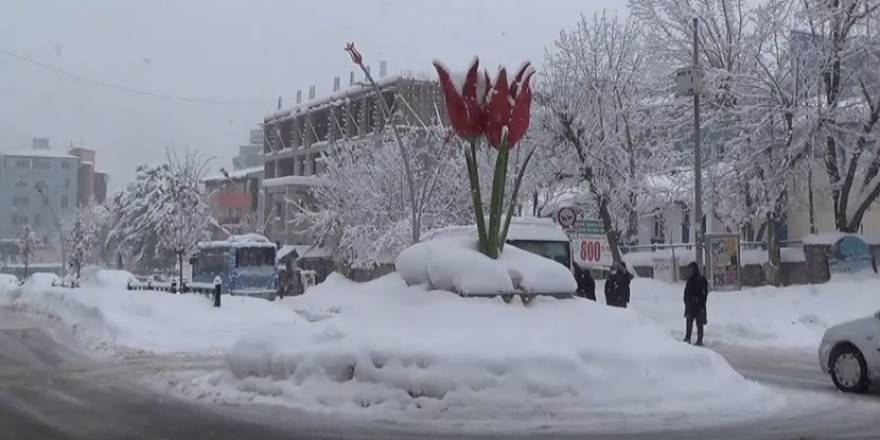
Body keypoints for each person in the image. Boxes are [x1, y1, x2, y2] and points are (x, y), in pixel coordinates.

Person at [683, 261, 709, 346]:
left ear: (694, 269)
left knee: (699, 324)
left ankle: (699, 340)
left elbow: (704, 293)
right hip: (691, 305)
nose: (689, 272)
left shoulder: (701, 280)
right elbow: (686, 293)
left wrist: (700, 301)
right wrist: (687, 301)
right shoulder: (690, 280)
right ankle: (687, 337)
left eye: (690, 269)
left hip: (698, 305)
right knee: (689, 322)